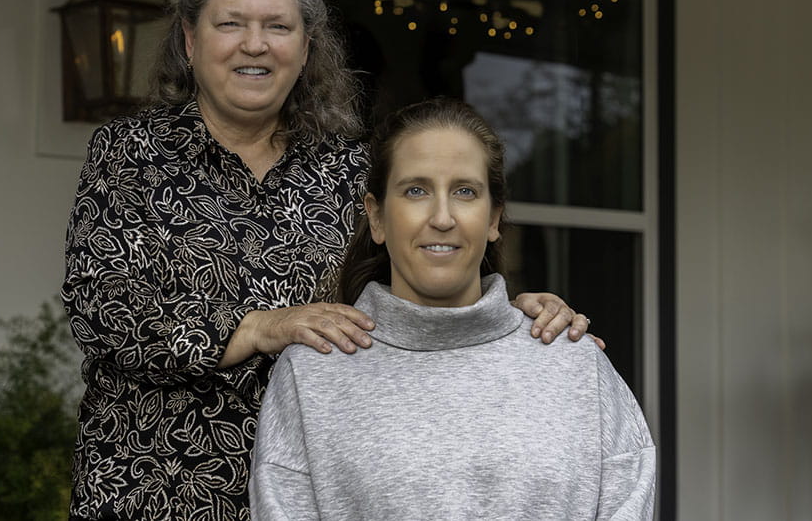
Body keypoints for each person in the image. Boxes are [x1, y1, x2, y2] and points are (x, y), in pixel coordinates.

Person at [61, 0, 593, 521]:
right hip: (155, 487)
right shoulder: (129, 154)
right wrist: (261, 327)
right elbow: (102, 308)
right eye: (231, 23)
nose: (255, 44)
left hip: (328, 487)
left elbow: (422, 279)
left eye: (278, 26)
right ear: (190, 41)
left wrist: (514, 315)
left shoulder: (350, 170)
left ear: (306, 47)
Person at [249, 97, 655, 520]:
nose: (442, 217)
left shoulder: (575, 365)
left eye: (464, 191)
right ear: (378, 218)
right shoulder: (312, 374)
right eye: (416, 190)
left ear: (494, 218)